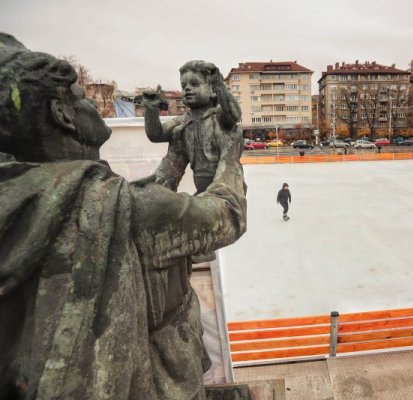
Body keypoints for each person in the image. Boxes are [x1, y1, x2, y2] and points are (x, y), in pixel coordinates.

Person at [0, 33, 246, 400]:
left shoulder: (17, 193)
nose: (92, 105)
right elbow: (227, 214)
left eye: (195, 85)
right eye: (82, 97)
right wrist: (230, 158)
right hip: (156, 379)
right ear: (62, 114)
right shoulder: (122, 207)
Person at [143, 60, 241, 195]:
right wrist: (151, 110)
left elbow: (233, 114)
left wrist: (219, 84)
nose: (187, 88)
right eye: (184, 86)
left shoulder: (218, 117)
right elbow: (155, 135)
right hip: (203, 192)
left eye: (194, 84)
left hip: (227, 190)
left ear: (212, 90)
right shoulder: (183, 121)